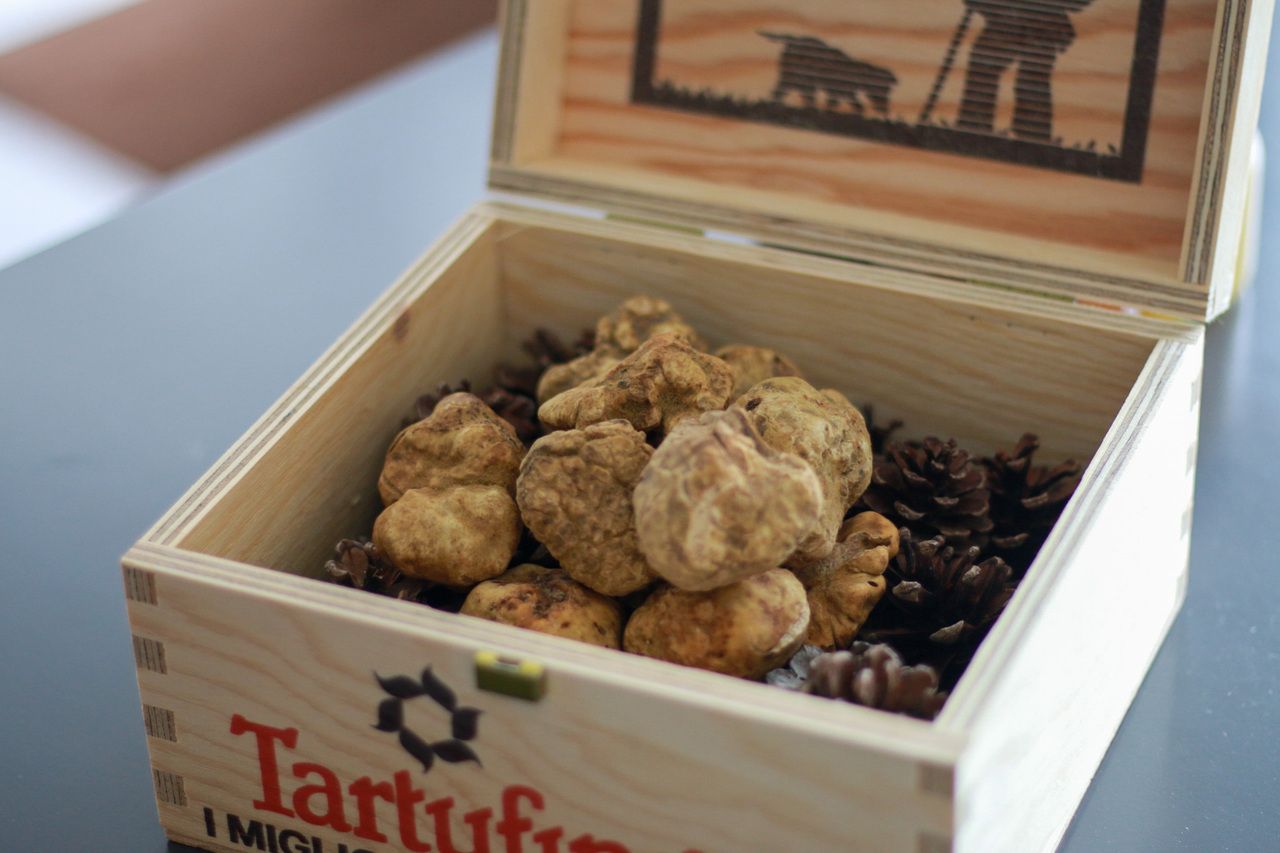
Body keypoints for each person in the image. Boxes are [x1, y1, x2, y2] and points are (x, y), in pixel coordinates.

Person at [956, 0, 1094, 142]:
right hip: (1007, 18)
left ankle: (1033, 138)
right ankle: (973, 131)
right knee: (983, 64)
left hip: (1042, 23)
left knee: (1031, 79)